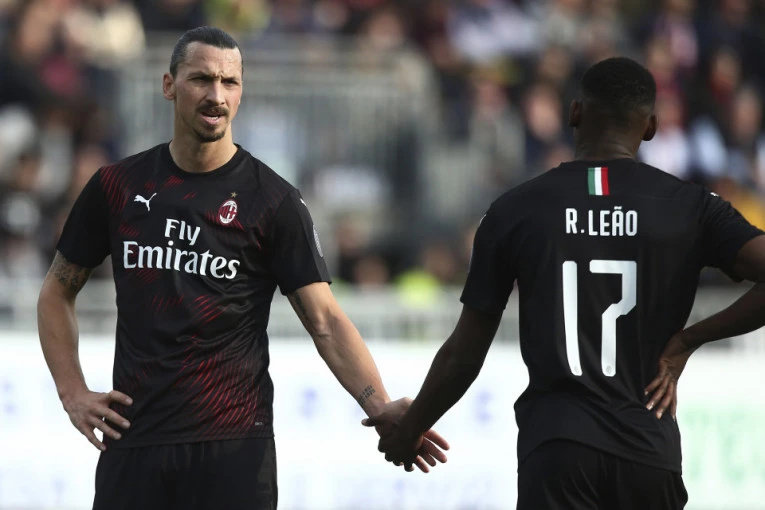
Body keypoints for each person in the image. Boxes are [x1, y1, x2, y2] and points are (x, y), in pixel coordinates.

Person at [36, 26, 448, 510]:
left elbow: (326, 319)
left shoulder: (272, 201)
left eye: (229, 82)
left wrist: (378, 404)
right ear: (169, 85)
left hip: (232, 448)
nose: (216, 96)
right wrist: (72, 392)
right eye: (201, 79)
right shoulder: (116, 187)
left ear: (241, 92)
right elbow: (56, 292)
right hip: (134, 442)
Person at [364, 56, 765, 509]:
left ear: (574, 112)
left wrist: (412, 428)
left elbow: (464, 354)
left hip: (557, 449)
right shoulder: (691, 207)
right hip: (648, 450)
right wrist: (688, 341)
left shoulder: (515, 209)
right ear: (651, 127)